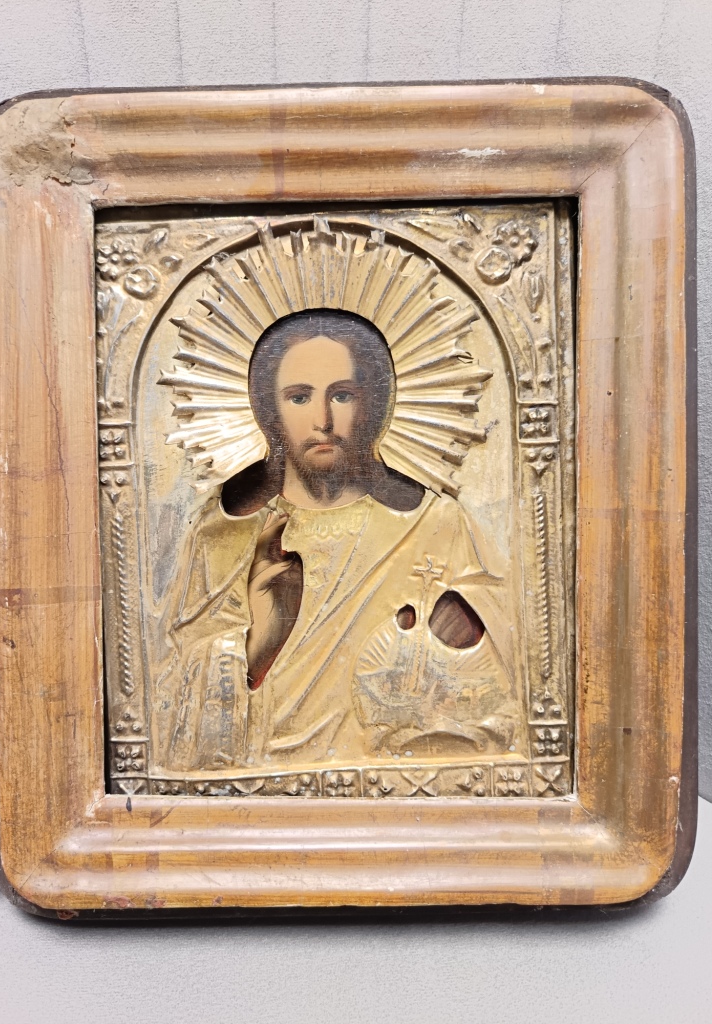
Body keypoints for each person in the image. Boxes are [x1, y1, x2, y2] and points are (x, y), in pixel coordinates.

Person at [152, 309, 524, 774]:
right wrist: (258, 645)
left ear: (374, 406)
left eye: (342, 395)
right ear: (268, 411)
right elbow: (169, 718)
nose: (323, 420)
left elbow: (509, 693)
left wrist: (455, 646)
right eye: (299, 397)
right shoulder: (219, 535)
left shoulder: (439, 526)